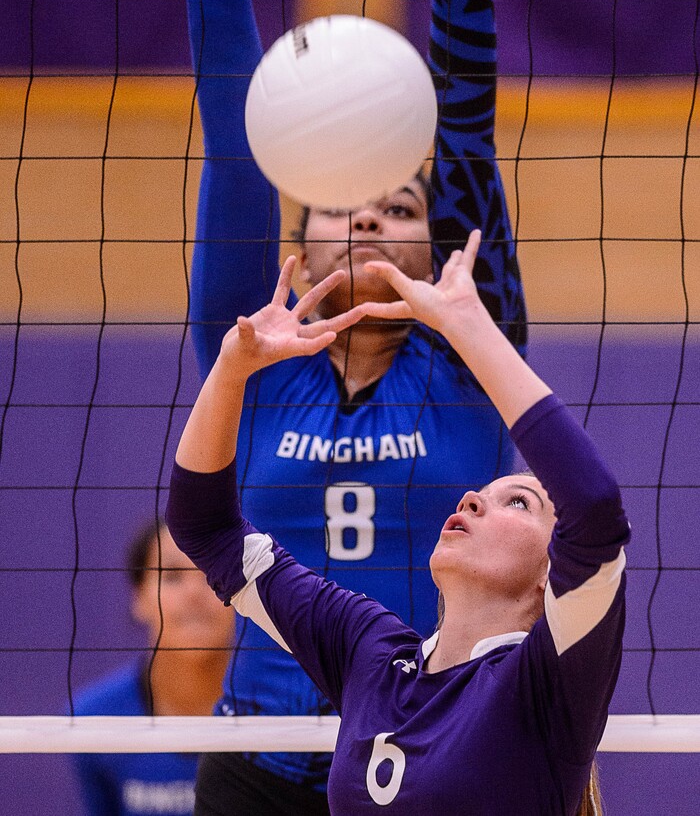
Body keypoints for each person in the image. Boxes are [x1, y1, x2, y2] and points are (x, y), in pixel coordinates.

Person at [127, 0, 527, 812]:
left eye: (397, 206)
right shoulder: (254, 357)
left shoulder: (468, 357)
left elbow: (468, 139)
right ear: (295, 249)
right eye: (339, 205)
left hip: (428, 754)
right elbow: (235, 135)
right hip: (259, 760)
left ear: (431, 241)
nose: (366, 219)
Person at [167, 232, 630, 816]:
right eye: (480, 494)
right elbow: (205, 529)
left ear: (552, 576)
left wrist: (469, 327)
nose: (472, 500)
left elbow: (594, 506)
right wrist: (232, 368)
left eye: (518, 502)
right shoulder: (370, 653)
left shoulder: (549, 678)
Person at [71, 521, 234, 816]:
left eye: (214, 575)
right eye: (171, 576)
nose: (195, 592)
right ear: (139, 598)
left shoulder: (288, 711)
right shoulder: (94, 720)